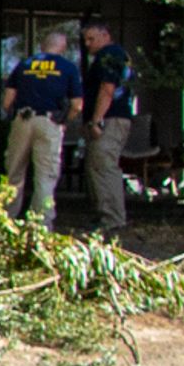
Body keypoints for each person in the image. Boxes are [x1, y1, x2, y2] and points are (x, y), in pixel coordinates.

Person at [1, 28, 77, 223]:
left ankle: (7, 219)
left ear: (42, 46)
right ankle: (40, 224)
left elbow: (7, 101)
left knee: (14, 172)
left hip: (23, 119)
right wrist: (64, 121)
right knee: (45, 176)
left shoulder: (24, 64)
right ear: (63, 48)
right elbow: (77, 104)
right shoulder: (68, 68)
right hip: (49, 121)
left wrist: (13, 116)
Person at [75, 18, 138, 234]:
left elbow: (107, 88)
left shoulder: (109, 55)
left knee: (103, 165)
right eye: (85, 40)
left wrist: (96, 120)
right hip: (114, 118)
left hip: (109, 119)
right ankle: (105, 215)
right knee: (96, 165)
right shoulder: (119, 55)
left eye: (91, 38)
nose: (88, 44)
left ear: (105, 35)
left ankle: (112, 218)